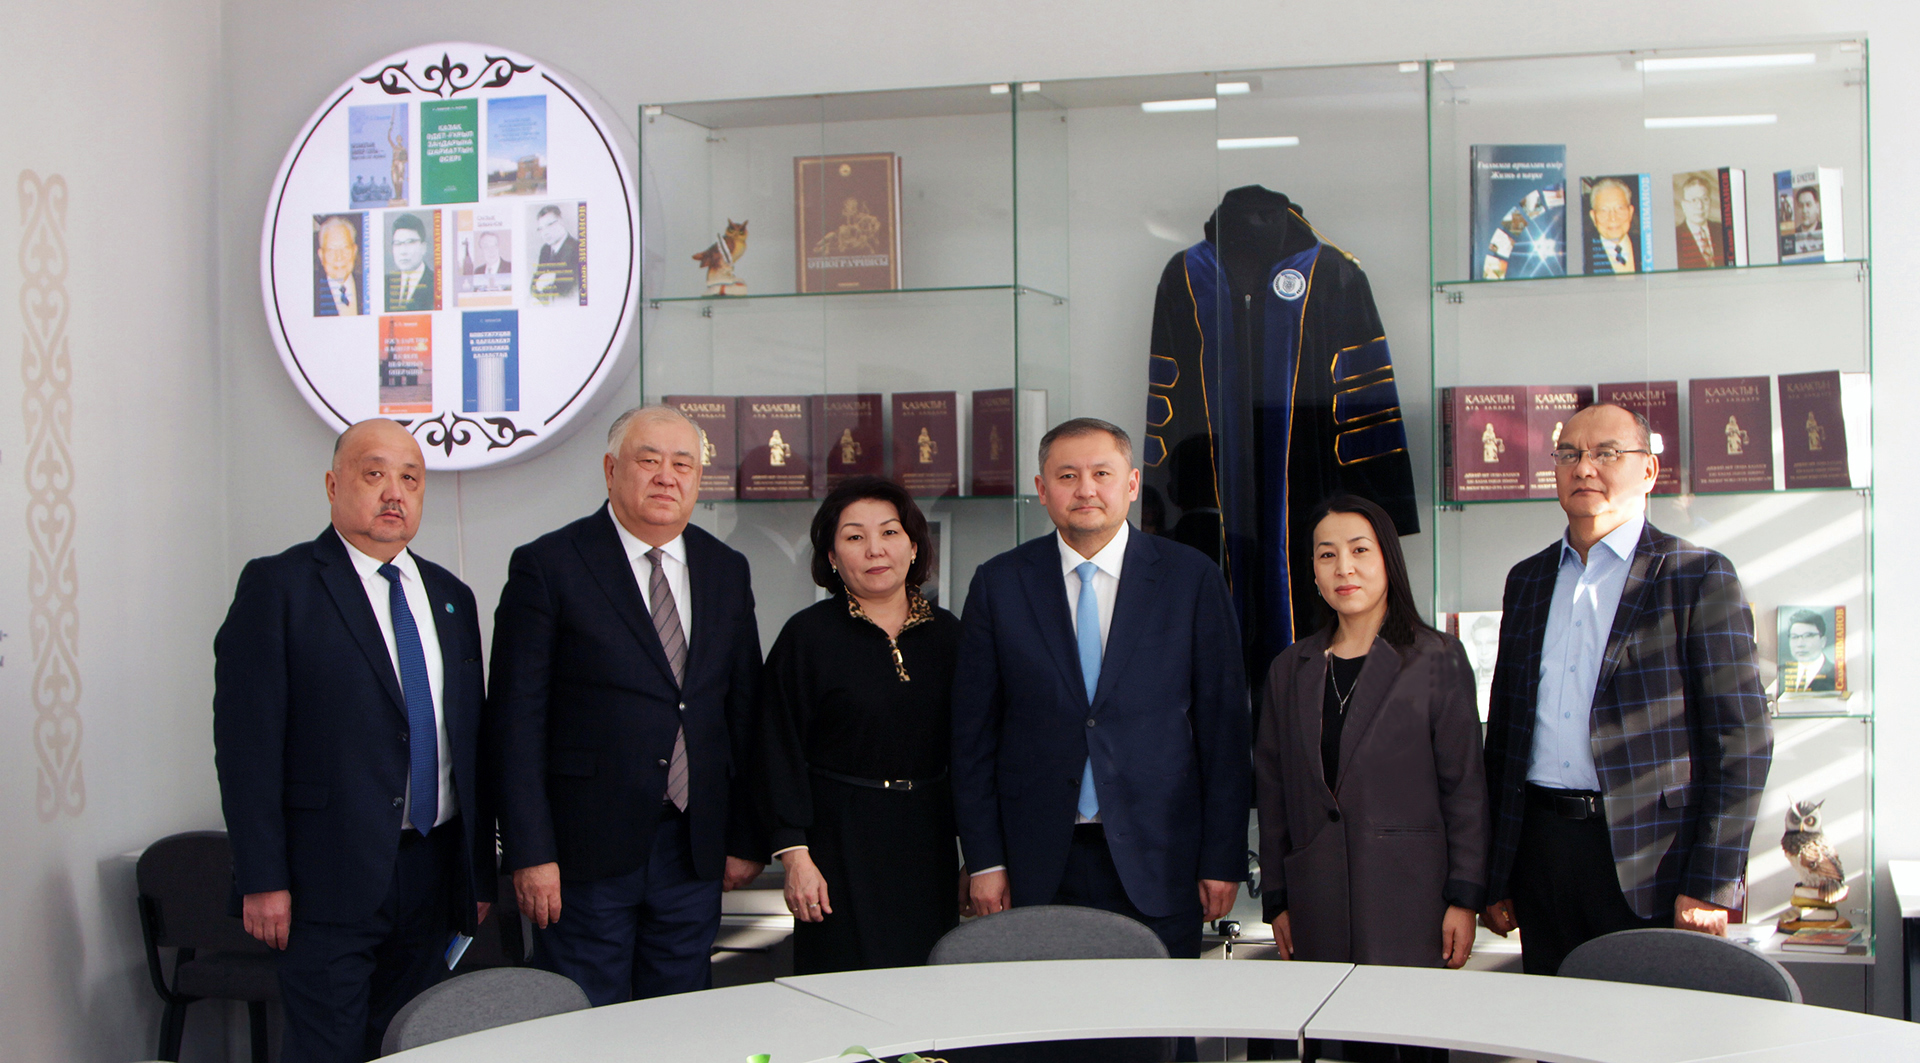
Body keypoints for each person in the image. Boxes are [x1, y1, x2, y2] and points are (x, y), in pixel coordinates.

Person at [213, 419, 494, 1062]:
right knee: (327, 1049)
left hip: (432, 869)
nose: (394, 492)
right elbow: (247, 746)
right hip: (325, 876)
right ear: (333, 485)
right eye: (374, 474)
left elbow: (470, 745)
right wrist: (261, 877)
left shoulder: (451, 597)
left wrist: (476, 875)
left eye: (411, 478)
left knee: (411, 1046)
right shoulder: (280, 587)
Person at [1481, 402, 1771, 976]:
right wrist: (1497, 871)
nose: (1585, 467)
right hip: (1541, 853)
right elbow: (1506, 733)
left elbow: (1742, 739)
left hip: (1652, 860)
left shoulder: (1696, 576)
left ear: (1649, 470)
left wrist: (1712, 881)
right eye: (1569, 454)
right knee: (1551, 1020)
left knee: (1644, 1026)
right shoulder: (1528, 580)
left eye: (1607, 453)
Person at [487, 405, 765, 1005]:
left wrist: (745, 836)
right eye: (649, 460)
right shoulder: (549, 565)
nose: (667, 476)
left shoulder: (725, 569)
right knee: (587, 1020)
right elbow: (515, 722)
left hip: (692, 849)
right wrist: (530, 852)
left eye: (683, 464)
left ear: (698, 480)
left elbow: (743, 711)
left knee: (680, 1016)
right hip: (583, 853)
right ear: (611, 470)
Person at [952, 417, 1250, 959]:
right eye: (1067, 475)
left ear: (1132, 484)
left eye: (1102, 473)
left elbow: (1223, 731)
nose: (1085, 489)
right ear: (1042, 489)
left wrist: (1222, 857)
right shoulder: (1000, 583)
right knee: (1044, 1010)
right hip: (1035, 860)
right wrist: (985, 859)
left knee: (1157, 1010)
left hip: (1162, 858)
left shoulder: (1190, 579)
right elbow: (973, 737)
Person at [1255, 494, 1486, 1059]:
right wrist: (1278, 900)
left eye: (1360, 551)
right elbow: (1275, 793)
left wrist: (1464, 897)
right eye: (1326, 555)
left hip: (1412, 903)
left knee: (1408, 1043)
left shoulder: (1436, 658)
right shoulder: (1290, 669)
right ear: (1312, 572)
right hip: (1316, 902)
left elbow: (1465, 789)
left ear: (1388, 560)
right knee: (1333, 1045)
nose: (1344, 568)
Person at [758, 476, 964, 973]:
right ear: (832, 557)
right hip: (837, 844)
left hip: (929, 840)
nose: (875, 549)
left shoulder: (951, 635)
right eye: (854, 537)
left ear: (914, 546)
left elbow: (974, 750)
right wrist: (795, 855)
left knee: (928, 986)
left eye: (890, 533)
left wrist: (977, 857)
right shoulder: (807, 637)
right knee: (841, 986)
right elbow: (774, 748)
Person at [1585, 178, 1638, 274]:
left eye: (1620, 208)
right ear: (1593, 217)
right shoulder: (1582, 256)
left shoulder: (1646, 246)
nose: (1613, 218)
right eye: (1604, 210)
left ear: (1630, 212)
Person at [386, 213, 435, 312]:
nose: (403, 251)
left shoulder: (436, 283)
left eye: (410, 242)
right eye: (397, 244)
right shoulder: (385, 283)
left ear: (423, 247)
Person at [531, 204, 581, 303]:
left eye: (549, 225)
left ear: (561, 222)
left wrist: (554, 278)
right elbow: (534, 286)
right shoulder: (545, 250)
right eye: (541, 229)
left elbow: (575, 287)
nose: (545, 233)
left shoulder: (578, 249)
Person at [314, 214, 362, 316]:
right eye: (331, 250)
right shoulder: (312, 295)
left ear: (354, 251)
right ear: (321, 256)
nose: (339, 257)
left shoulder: (369, 287)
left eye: (345, 248)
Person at [1780, 609, 1837, 693]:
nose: (1800, 644)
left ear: (1823, 641)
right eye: (1794, 637)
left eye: (1808, 636)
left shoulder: (1836, 674)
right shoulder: (1781, 673)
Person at [1673, 175, 1718, 270]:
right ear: (1684, 205)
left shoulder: (1722, 230)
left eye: (1704, 199)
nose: (1700, 206)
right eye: (1693, 200)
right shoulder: (1674, 237)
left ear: (1710, 202)